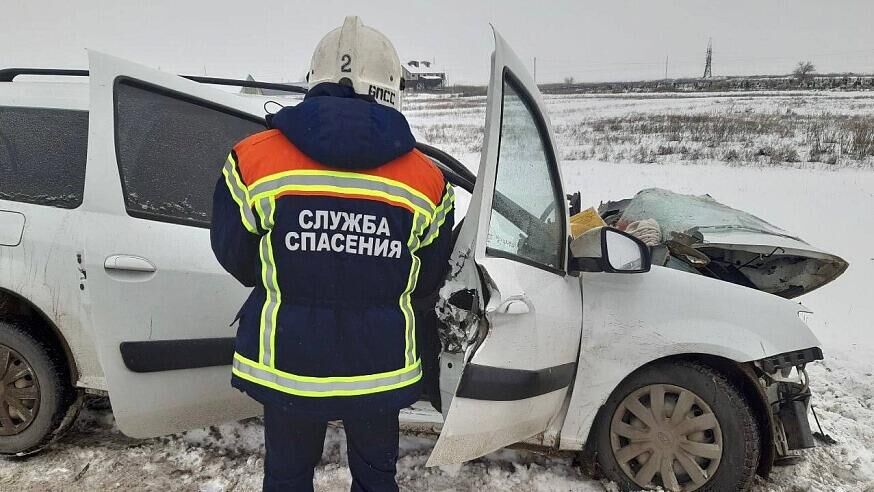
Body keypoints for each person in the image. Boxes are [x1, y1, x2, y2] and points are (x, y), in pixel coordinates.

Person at [210, 15, 455, 492]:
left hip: (288, 363)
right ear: (390, 85)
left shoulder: (253, 160)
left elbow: (233, 253)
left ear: (314, 82)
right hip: (379, 367)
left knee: (286, 479)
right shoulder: (428, 180)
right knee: (375, 479)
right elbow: (428, 277)